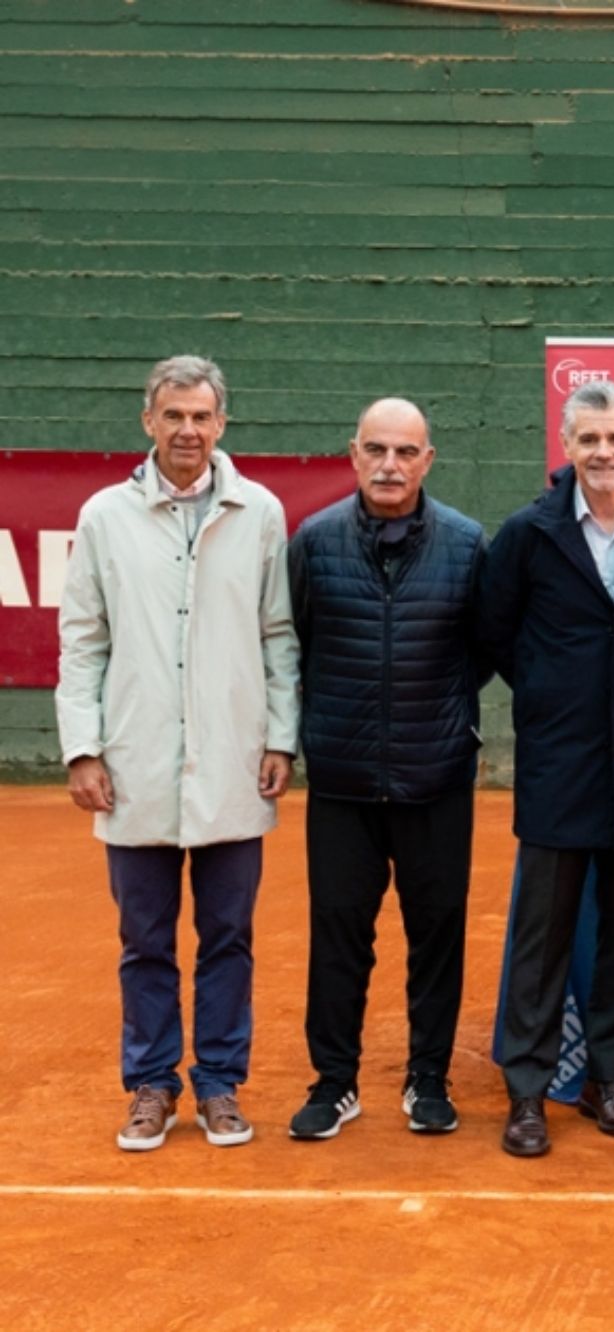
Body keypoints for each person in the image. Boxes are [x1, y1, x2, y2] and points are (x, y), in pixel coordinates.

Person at [56, 354, 299, 1151]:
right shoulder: (103, 517)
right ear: (148, 421)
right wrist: (83, 749)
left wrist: (280, 739)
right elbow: (83, 641)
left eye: (202, 416)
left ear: (221, 423)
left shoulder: (259, 511)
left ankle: (222, 1084)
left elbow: (278, 636)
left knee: (229, 937)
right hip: (133, 769)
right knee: (145, 942)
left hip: (234, 763)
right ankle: (153, 1086)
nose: (188, 430)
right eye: (174, 415)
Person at [479, 380, 614, 1158]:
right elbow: (495, 635)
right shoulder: (528, 535)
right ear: (566, 448)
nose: (603, 453)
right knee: (543, 938)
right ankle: (529, 1094)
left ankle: (609, 1081)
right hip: (558, 765)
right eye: (588, 440)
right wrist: (548, 693)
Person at [285, 398, 487, 1140]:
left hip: (436, 778)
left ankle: (427, 1078)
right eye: (377, 450)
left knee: (437, 931)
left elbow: (484, 649)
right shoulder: (313, 541)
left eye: (406, 452)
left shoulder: (467, 545)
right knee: (338, 933)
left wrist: (442, 723)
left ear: (428, 460)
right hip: (341, 781)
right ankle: (333, 1082)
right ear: (354, 455)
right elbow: (297, 641)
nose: (390, 465)